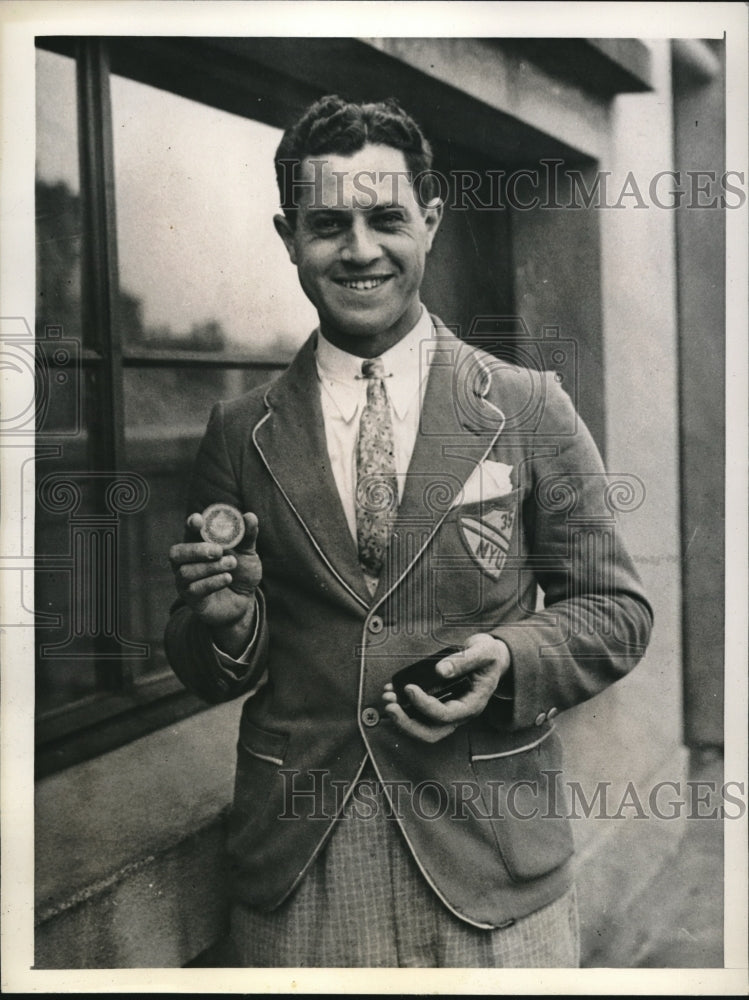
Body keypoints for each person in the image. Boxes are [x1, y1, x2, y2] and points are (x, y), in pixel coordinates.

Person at [165, 94, 653, 968]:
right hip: (301, 860)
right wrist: (228, 624)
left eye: (385, 217)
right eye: (327, 224)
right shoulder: (240, 433)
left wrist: (509, 659)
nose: (358, 249)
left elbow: (615, 612)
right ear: (288, 237)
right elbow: (206, 666)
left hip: (492, 859)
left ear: (429, 220)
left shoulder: (526, 406)